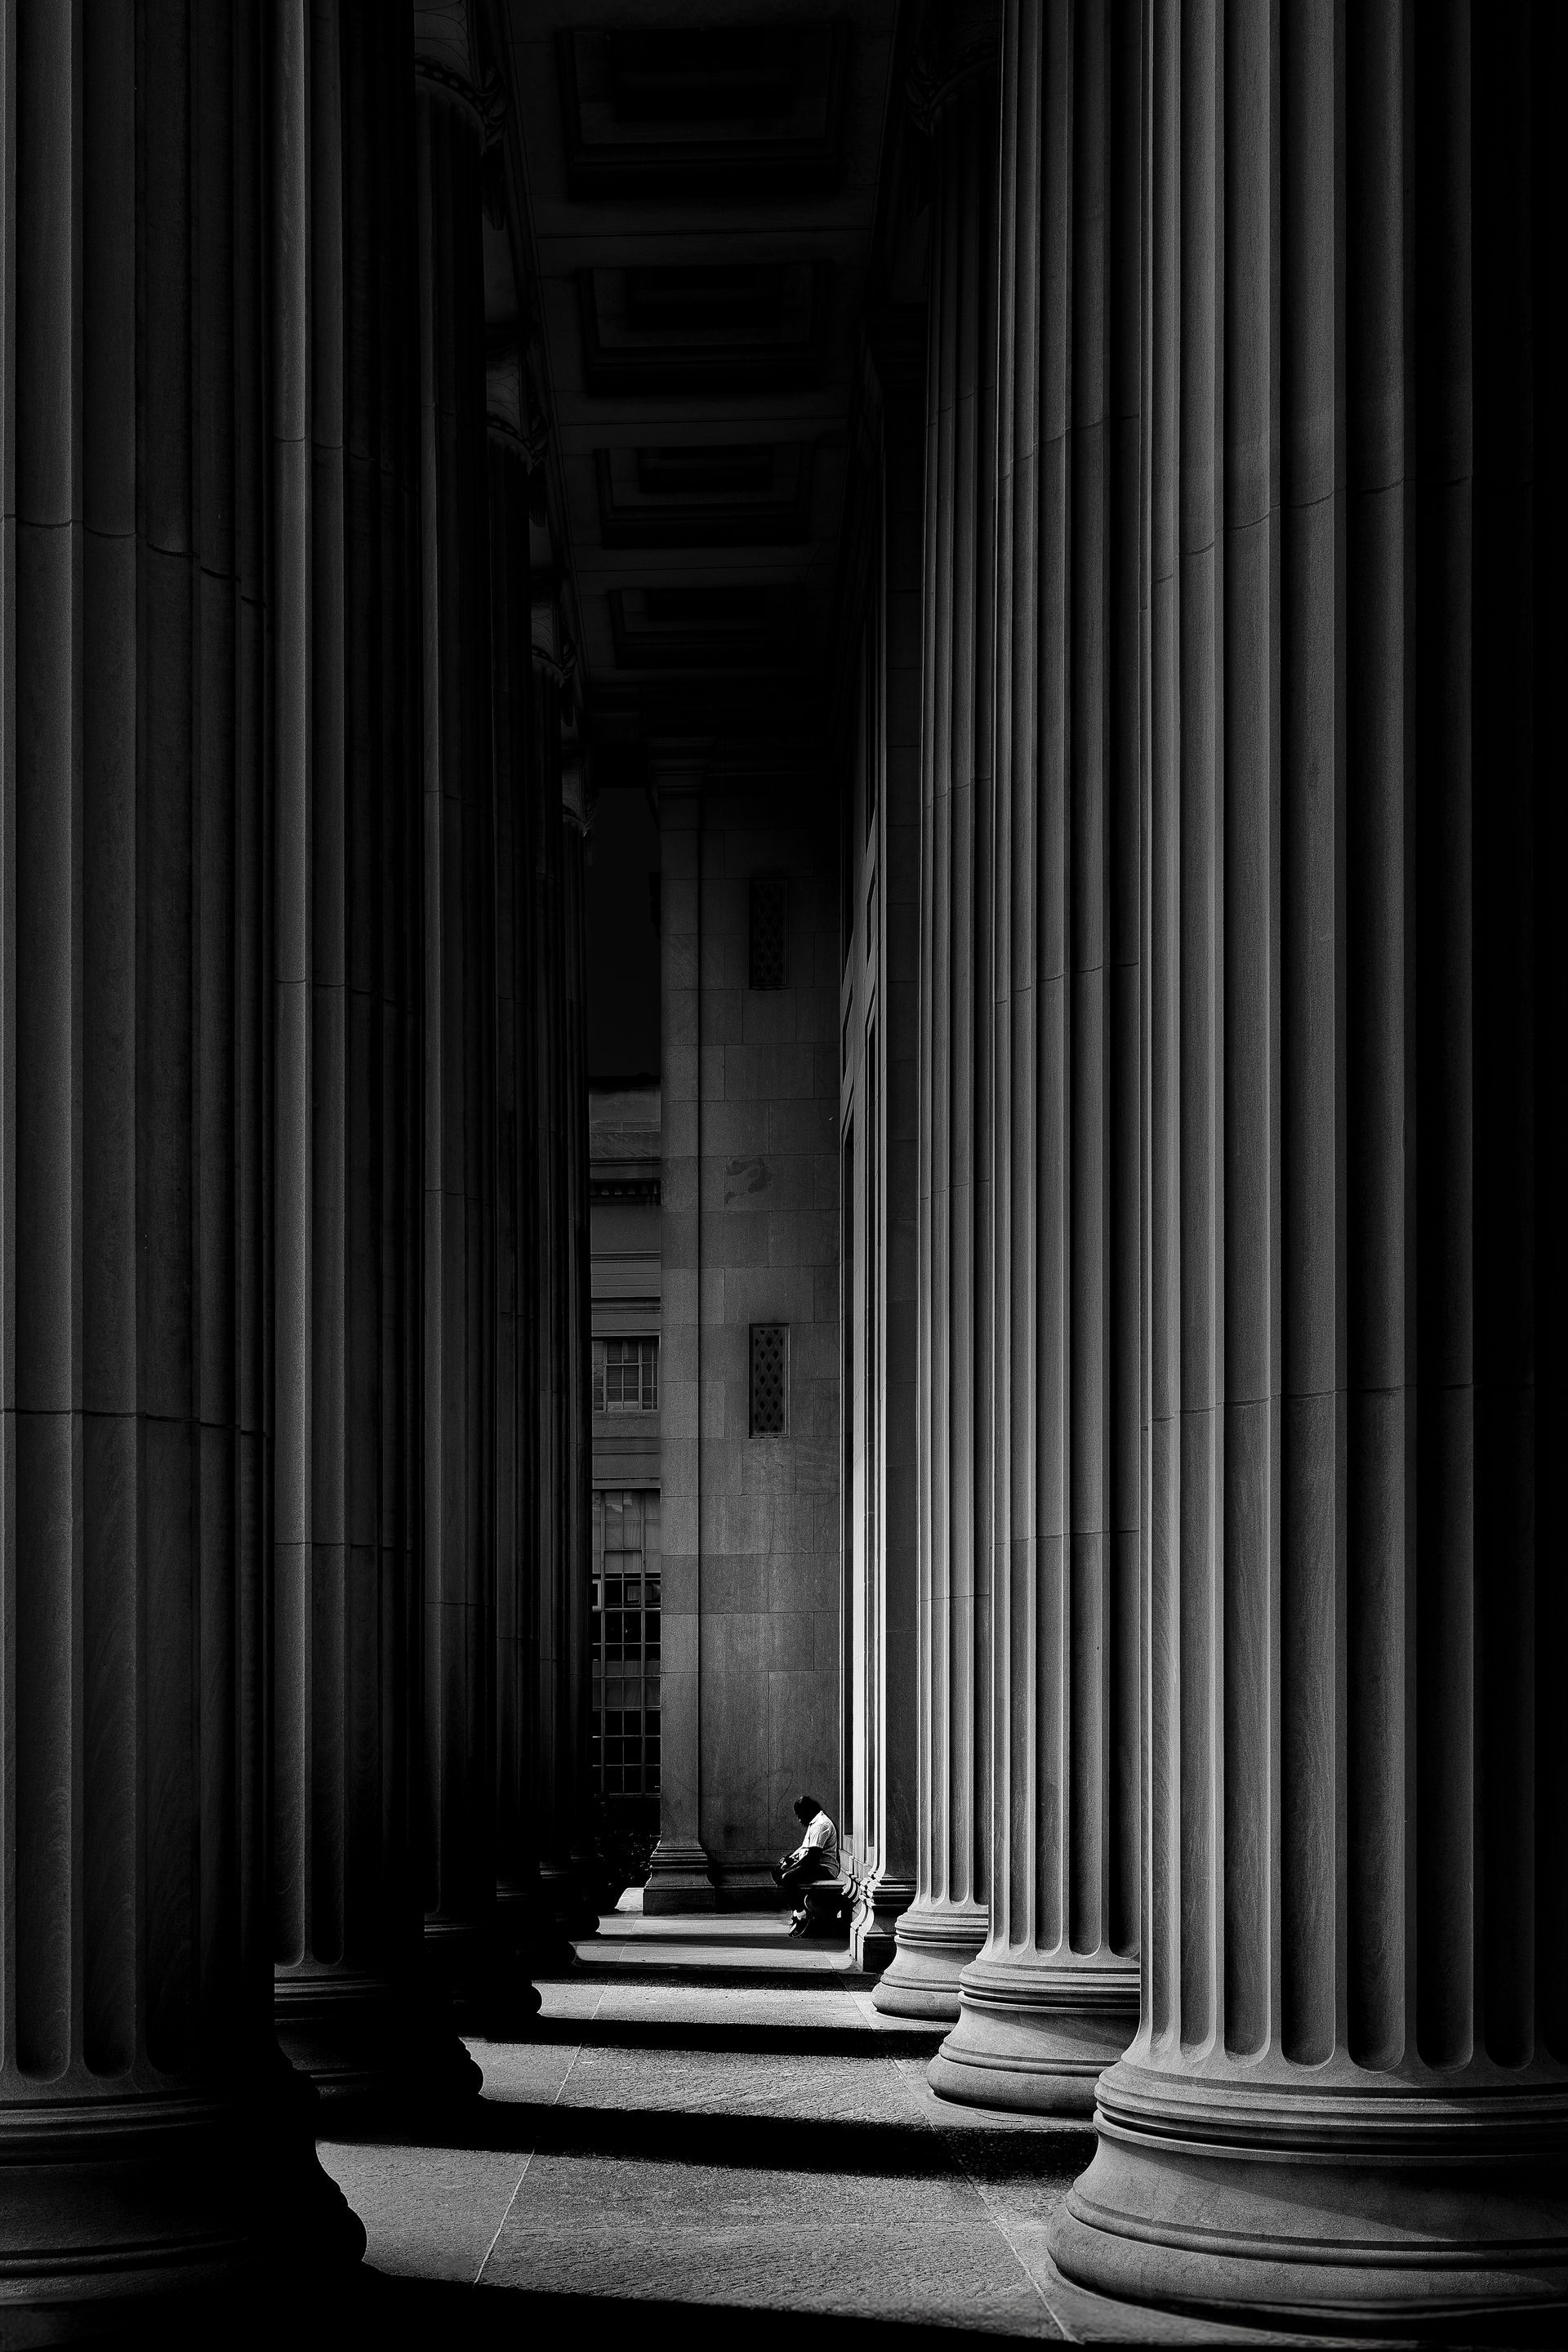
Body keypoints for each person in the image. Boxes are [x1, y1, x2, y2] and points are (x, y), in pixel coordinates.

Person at [771, 1793, 840, 1936]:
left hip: (825, 1868)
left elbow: (813, 1857)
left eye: (800, 1815)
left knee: (788, 1878)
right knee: (777, 1872)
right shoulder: (814, 1823)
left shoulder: (821, 1825)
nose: (799, 1820)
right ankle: (798, 1909)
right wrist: (789, 1859)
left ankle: (801, 1915)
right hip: (814, 1865)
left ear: (808, 1811)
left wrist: (791, 1868)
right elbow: (804, 1849)